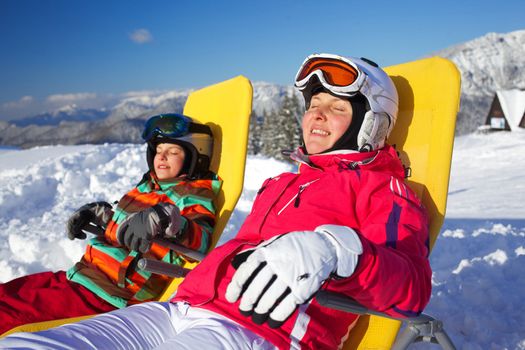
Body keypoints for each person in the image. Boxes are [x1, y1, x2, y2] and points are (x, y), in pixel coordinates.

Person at [1, 53, 431, 349]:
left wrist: (339, 249)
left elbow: (410, 290)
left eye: (336, 107)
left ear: (371, 122)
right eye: (313, 103)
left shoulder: (384, 189)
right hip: (179, 307)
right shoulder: (281, 183)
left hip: (260, 329)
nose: (316, 114)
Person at [0, 113, 221, 335]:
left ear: (195, 157)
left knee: (10, 315)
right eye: (159, 151)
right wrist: (100, 216)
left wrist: (169, 218)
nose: (162, 157)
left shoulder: (193, 195)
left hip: (108, 296)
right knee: (8, 293)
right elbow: (127, 227)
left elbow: (199, 244)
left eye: (173, 152)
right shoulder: (148, 188)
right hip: (83, 276)